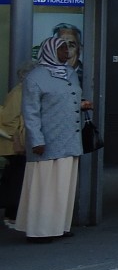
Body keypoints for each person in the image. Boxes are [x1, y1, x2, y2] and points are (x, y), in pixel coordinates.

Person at [16, 34, 89, 242]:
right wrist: (36, 139)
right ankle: (40, 230)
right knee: (44, 187)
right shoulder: (35, 77)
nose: (67, 53)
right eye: (62, 49)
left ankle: (59, 226)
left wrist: (82, 104)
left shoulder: (70, 74)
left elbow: (70, 98)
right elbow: (30, 112)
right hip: (46, 141)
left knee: (64, 186)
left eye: (67, 49)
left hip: (69, 138)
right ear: (49, 51)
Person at [0, 62, 35, 229]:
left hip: (18, 143)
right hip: (15, 145)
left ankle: (13, 215)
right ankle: (11, 215)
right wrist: (16, 140)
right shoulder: (19, 93)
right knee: (17, 180)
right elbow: (8, 119)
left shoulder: (23, 91)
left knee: (16, 179)